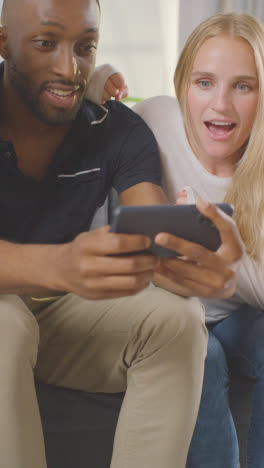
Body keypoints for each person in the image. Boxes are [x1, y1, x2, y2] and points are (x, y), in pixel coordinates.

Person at [0, 1, 246, 467]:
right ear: (4, 42)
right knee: (6, 324)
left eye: (85, 47)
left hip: (59, 313)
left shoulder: (116, 129)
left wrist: (203, 263)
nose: (69, 68)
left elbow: (153, 243)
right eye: (46, 43)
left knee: (178, 322)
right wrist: (57, 265)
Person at [94, 11, 264, 468]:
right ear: (182, 84)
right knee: (197, 351)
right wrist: (100, 79)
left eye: (243, 86)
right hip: (165, 310)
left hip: (236, 317)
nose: (221, 105)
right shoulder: (155, 120)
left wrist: (227, 262)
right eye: (204, 82)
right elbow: (88, 120)